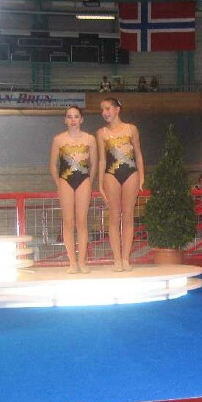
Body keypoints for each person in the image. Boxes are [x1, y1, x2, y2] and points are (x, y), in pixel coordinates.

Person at [96, 98, 145, 272]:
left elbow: (138, 154)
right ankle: (116, 259)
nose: (104, 112)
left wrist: (142, 176)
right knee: (114, 216)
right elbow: (102, 160)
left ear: (117, 109)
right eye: (102, 109)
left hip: (131, 173)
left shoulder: (131, 129)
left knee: (128, 215)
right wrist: (100, 182)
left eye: (107, 108)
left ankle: (125, 258)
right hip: (111, 174)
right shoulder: (101, 133)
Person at [49, 106, 97, 274]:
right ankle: (72, 262)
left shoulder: (90, 139)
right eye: (69, 117)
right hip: (65, 181)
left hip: (83, 180)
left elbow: (94, 164)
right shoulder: (58, 139)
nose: (73, 120)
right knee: (68, 222)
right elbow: (53, 165)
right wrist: (59, 183)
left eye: (76, 116)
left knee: (82, 222)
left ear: (81, 119)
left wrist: (89, 181)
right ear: (65, 120)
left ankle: (82, 262)